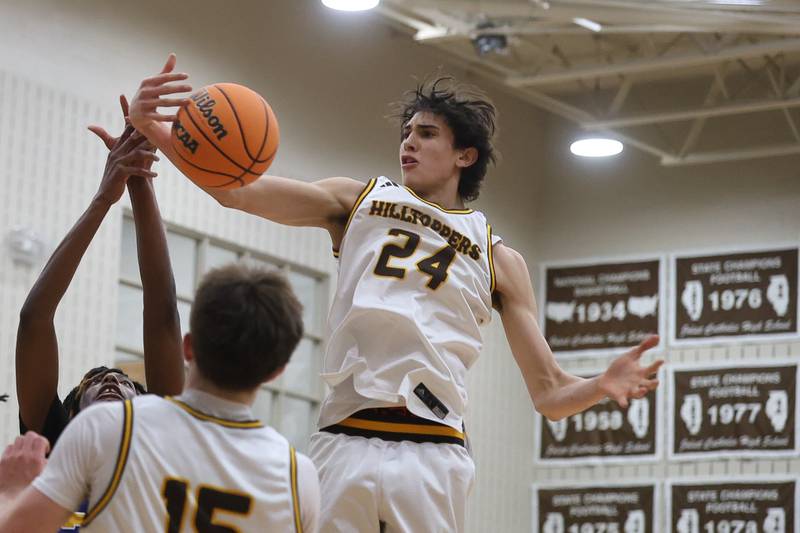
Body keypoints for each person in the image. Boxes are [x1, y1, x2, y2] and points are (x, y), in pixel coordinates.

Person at [129, 53, 664, 533]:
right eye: (407, 132)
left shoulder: (499, 256)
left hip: (433, 450)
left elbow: (549, 393)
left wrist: (601, 383)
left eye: (427, 133)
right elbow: (238, 192)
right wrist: (154, 129)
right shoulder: (358, 198)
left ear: (465, 156)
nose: (409, 141)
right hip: (344, 437)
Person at [0, 263, 320, 532]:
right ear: (277, 372)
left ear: (188, 347)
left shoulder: (114, 431)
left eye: (124, 382)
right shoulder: (299, 477)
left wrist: (11, 491)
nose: (111, 382)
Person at [14, 96, 185, 532]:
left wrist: (141, 184)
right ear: (67, 420)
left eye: (126, 382)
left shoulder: (157, 444)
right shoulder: (51, 451)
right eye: (93, 382)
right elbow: (35, 318)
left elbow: (162, 311)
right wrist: (104, 197)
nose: (112, 379)